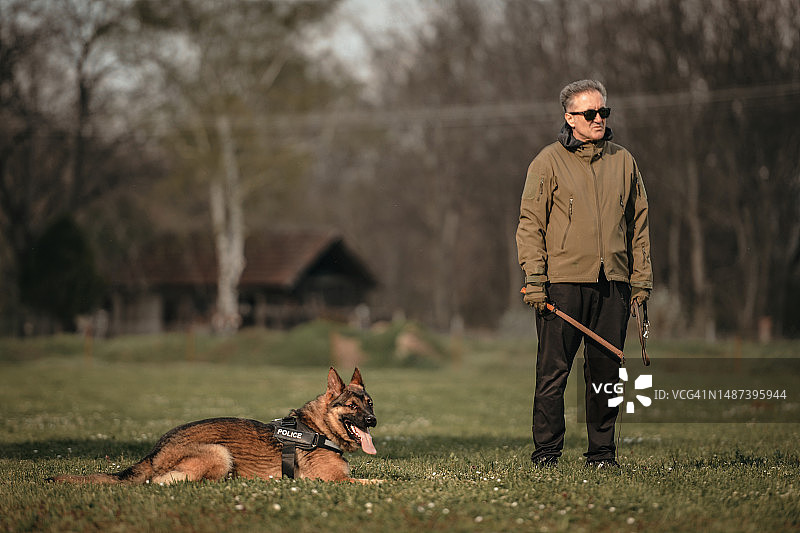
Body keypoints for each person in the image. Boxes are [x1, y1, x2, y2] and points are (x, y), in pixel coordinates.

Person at [516, 79, 652, 468]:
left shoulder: (624, 161)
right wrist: (535, 280)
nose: (598, 119)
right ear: (569, 118)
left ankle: (602, 454)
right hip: (561, 286)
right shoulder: (547, 161)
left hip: (614, 284)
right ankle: (546, 454)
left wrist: (640, 279)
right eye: (590, 113)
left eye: (603, 112)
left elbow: (639, 224)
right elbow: (530, 225)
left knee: (605, 375)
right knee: (553, 374)